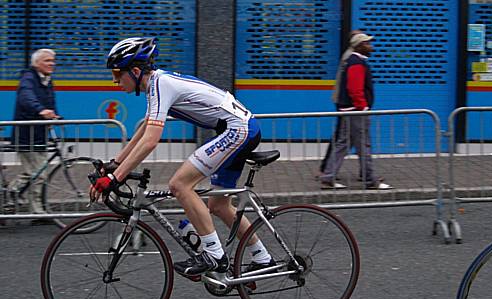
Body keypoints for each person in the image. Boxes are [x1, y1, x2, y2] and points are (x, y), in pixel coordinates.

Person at [91, 37, 274, 278]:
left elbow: (151, 141)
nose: (115, 81)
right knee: (218, 205)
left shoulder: (160, 85)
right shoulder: (157, 84)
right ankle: (263, 258)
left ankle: (214, 255)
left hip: (237, 130)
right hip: (241, 128)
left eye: (117, 74)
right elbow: (146, 128)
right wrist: (116, 164)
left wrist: (115, 177)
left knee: (179, 184)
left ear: (135, 71)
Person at [319, 32, 392, 190]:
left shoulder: (353, 61)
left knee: (343, 144)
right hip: (355, 112)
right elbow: (355, 88)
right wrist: (363, 107)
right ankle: (370, 180)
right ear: (359, 46)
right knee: (363, 145)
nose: (370, 46)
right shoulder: (356, 62)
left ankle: (328, 177)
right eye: (367, 44)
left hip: (349, 110)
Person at [9, 48, 60, 214]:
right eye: (47, 61)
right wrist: (41, 111)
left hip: (39, 135)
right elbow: (26, 98)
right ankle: (31, 206)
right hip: (26, 135)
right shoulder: (28, 78)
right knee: (38, 174)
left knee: (37, 173)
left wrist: (54, 115)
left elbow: (50, 101)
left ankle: (16, 195)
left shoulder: (46, 80)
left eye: (53, 60)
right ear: (36, 63)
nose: (52, 64)